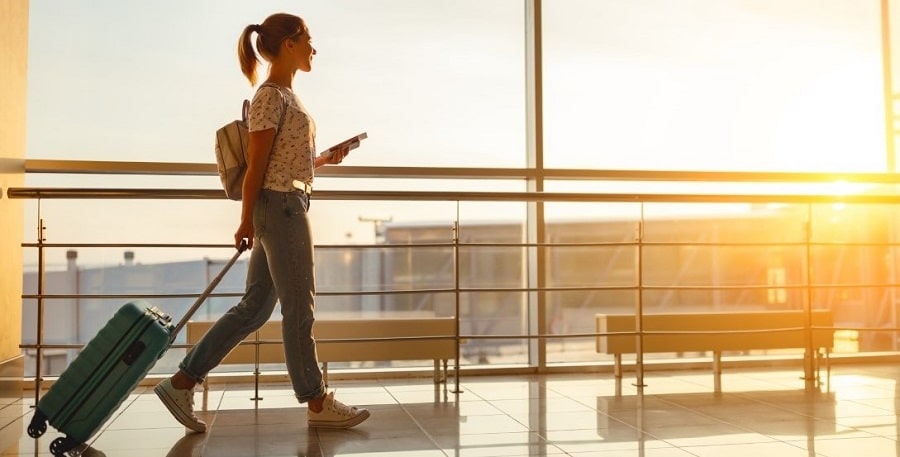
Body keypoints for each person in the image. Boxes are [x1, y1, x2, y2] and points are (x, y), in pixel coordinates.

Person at [154, 12, 370, 432]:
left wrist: (323, 159)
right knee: (298, 307)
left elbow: (282, 161)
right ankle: (317, 400)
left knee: (254, 308)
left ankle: (181, 382)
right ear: (289, 43)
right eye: (309, 39)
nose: (314, 48)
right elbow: (255, 167)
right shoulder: (271, 95)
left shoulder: (286, 96)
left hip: (286, 202)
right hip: (281, 208)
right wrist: (245, 221)